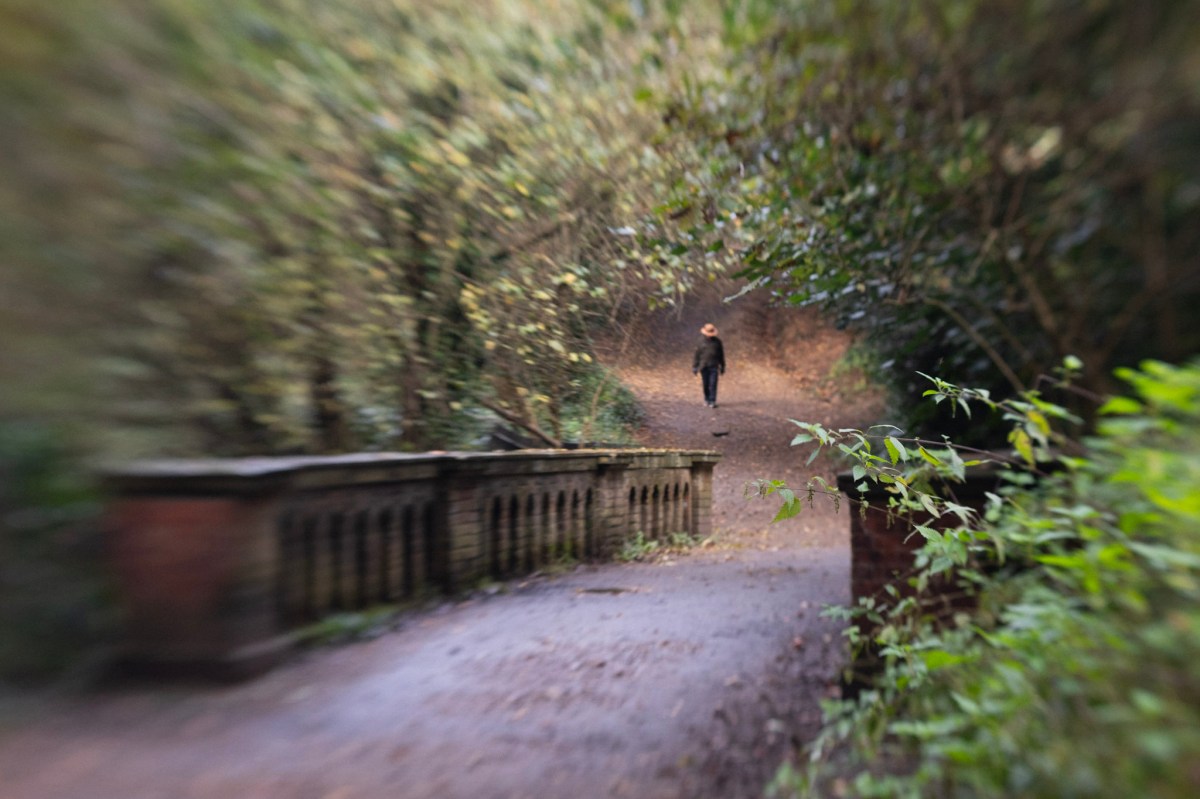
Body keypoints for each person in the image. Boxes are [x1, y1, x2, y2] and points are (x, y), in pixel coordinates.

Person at [692, 323, 726, 408]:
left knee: (713, 383)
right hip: (703, 366)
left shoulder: (718, 342)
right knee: (705, 384)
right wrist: (695, 366)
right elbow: (697, 355)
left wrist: (723, 366)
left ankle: (712, 400)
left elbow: (721, 355)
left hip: (714, 366)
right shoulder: (700, 342)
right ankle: (707, 399)